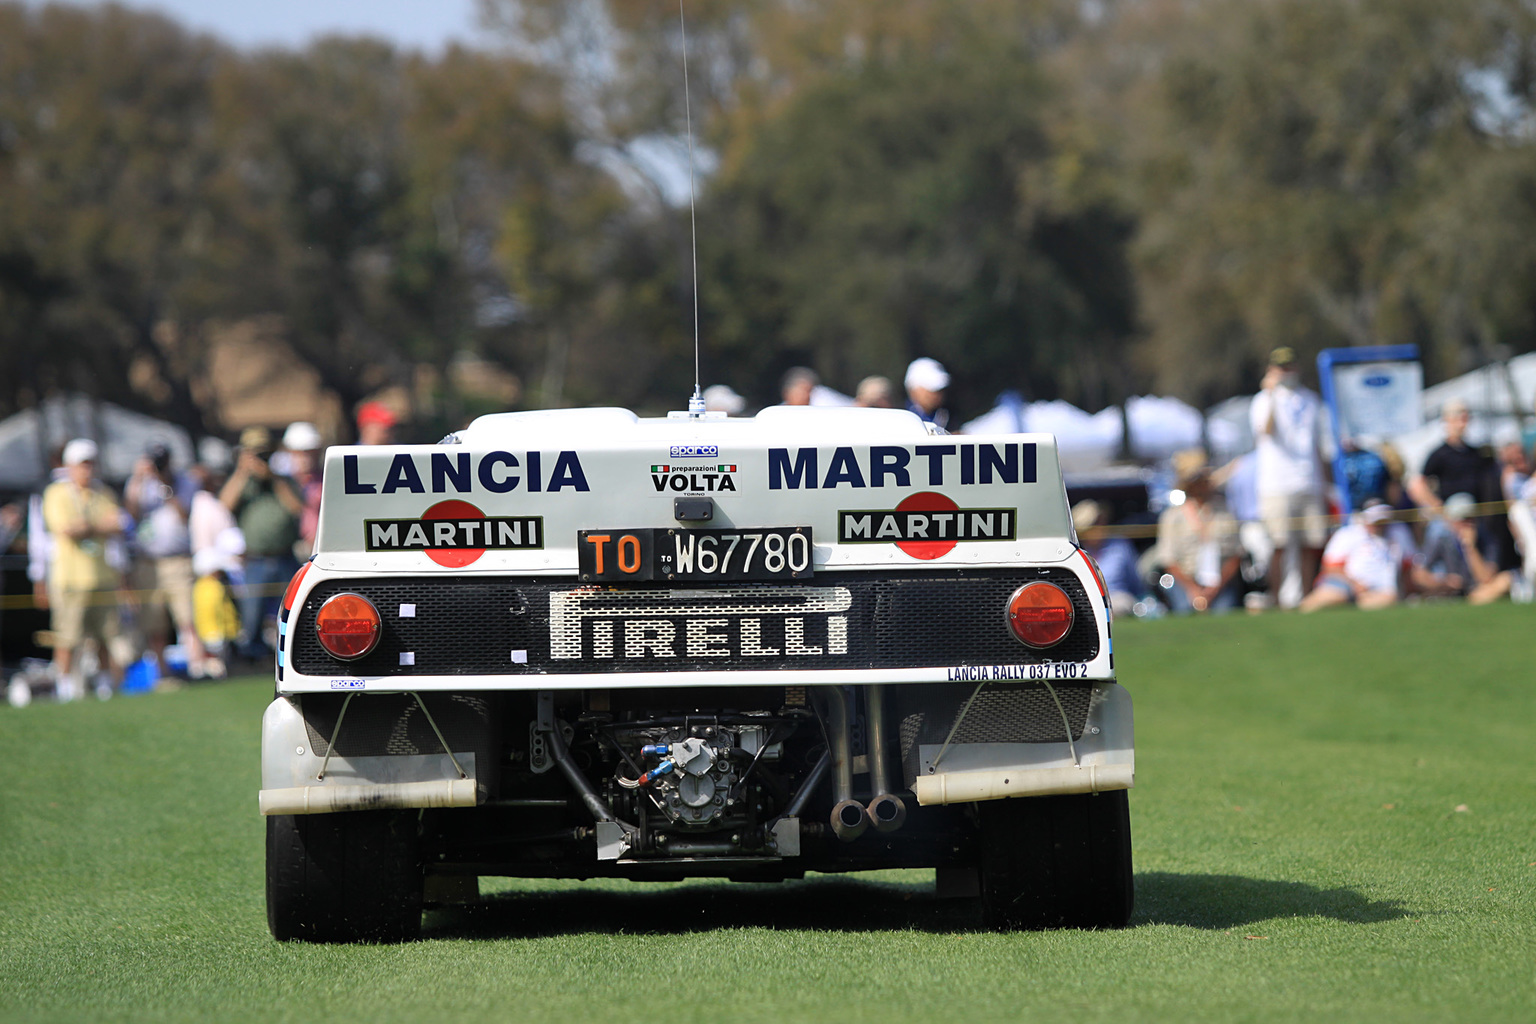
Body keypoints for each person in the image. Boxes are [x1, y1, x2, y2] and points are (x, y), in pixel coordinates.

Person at [40, 439, 126, 698]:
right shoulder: (56, 493)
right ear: (69, 467)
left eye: (90, 464)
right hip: (70, 580)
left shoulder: (103, 493)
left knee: (105, 637)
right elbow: (65, 529)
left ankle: (104, 686)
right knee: (68, 639)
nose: (87, 470)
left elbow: (119, 524)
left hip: (102, 577)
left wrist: (87, 526)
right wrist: (99, 525)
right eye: (82, 465)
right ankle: (65, 688)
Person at [1248, 347, 1327, 607]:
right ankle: (1277, 599)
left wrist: (1326, 481)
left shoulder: (1311, 400)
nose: (1286, 372)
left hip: (1309, 481)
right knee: (1279, 544)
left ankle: (1306, 599)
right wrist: (1270, 394)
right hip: (1276, 484)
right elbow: (1266, 431)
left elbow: (1318, 444)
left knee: (1310, 544)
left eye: (1289, 367)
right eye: (1280, 368)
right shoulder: (1262, 400)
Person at [219, 426, 301, 661]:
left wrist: (273, 476)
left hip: (285, 555)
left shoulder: (283, 480)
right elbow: (224, 504)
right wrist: (243, 471)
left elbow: (296, 508)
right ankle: (251, 657)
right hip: (256, 559)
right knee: (252, 614)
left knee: (292, 611)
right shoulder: (243, 483)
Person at [124, 443, 205, 677]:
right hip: (148, 563)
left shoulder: (184, 482)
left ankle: (197, 668)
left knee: (187, 618)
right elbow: (130, 516)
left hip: (178, 560)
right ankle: (162, 673)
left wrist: (166, 486)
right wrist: (139, 480)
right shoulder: (139, 484)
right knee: (154, 623)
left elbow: (184, 514)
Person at [1151, 451, 1242, 614]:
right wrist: (1193, 589)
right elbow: (1168, 560)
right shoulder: (1173, 516)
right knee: (1185, 610)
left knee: (1225, 611)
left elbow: (1236, 554)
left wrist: (1215, 587)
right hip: (1185, 581)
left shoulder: (1225, 511)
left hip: (1220, 582)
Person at [1416, 493, 1516, 605]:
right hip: (1447, 593)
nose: (1468, 523)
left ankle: (1470, 601)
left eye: (1471, 518)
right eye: (1462, 519)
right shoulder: (1440, 537)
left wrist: (1470, 547)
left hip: (1478, 590)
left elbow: (1486, 578)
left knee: (1506, 580)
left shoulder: (1487, 539)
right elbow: (1419, 574)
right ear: (1450, 521)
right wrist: (1444, 582)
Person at [1300, 503, 1402, 611]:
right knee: (1336, 597)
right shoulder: (1347, 534)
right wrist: (1355, 584)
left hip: (1374, 589)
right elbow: (1330, 568)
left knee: (1389, 599)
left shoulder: (1397, 535)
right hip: (1344, 583)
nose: (1379, 526)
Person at [1073, 500, 1144, 617]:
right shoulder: (1076, 551)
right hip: (1085, 600)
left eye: (1099, 522)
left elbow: (1135, 582)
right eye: (1092, 524)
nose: (1098, 527)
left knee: (1120, 604)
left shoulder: (1120, 545)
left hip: (1117, 598)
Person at [280, 422, 325, 558]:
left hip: (319, 550)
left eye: (310, 453)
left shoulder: (325, 481)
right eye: (299, 453)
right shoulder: (281, 483)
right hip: (287, 553)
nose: (305, 459)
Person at [904, 357, 951, 429]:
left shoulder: (948, 416)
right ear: (914, 389)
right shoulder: (901, 417)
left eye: (939, 389)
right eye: (931, 389)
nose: (936, 394)